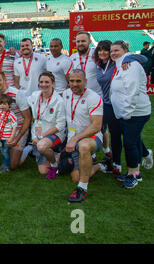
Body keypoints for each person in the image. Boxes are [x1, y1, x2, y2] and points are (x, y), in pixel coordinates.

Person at [94, 40, 148, 175]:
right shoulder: (98, 64)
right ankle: (117, 163)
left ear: (124, 51)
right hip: (108, 104)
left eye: (107, 50)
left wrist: (130, 56)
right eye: (100, 50)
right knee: (117, 134)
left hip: (124, 107)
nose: (104, 52)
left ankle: (136, 168)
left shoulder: (123, 63)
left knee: (129, 137)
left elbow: (144, 58)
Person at [110, 41, 152, 188]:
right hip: (127, 112)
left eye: (117, 50)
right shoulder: (121, 64)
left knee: (129, 143)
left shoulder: (130, 64)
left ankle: (134, 174)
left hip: (135, 113)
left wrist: (127, 113)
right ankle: (144, 157)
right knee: (134, 139)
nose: (113, 53)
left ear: (125, 50)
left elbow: (132, 90)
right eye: (112, 51)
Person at [63, 69, 103, 203]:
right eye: (72, 81)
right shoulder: (66, 94)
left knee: (84, 146)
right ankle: (101, 165)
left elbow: (97, 126)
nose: (74, 84)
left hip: (91, 137)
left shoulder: (93, 97)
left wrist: (75, 138)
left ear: (85, 81)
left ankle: (82, 188)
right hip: (72, 140)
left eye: (78, 81)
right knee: (75, 176)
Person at [27, 72, 66, 179]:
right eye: (41, 82)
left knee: (42, 146)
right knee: (43, 171)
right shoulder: (35, 95)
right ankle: (55, 155)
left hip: (56, 134)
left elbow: (60, 125)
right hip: (38, 131)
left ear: (53, 83)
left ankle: (54, 165)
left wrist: (41, 137)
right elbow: (23, 102)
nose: (44, 84)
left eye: (47, 82)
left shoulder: (59, 101)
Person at [0, 94, 18, 174]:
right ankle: (3, 165)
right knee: (2, 151)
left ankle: (6, 166)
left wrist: (12, 137)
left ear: (9, 105)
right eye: (1, 104)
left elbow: (14, 126)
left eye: (4, 104)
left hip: (7, 138)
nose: (2, 106)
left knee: (6, 152)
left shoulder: (11, 115)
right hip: (0, 137)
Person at [70, 32, 102, 96]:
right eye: (78, 41)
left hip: (96, 95)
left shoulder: (97, 55)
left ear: (90, 41)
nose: (80, 43)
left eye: (83, 41)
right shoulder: (72, 58)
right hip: (79, 96)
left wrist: (127, 59)